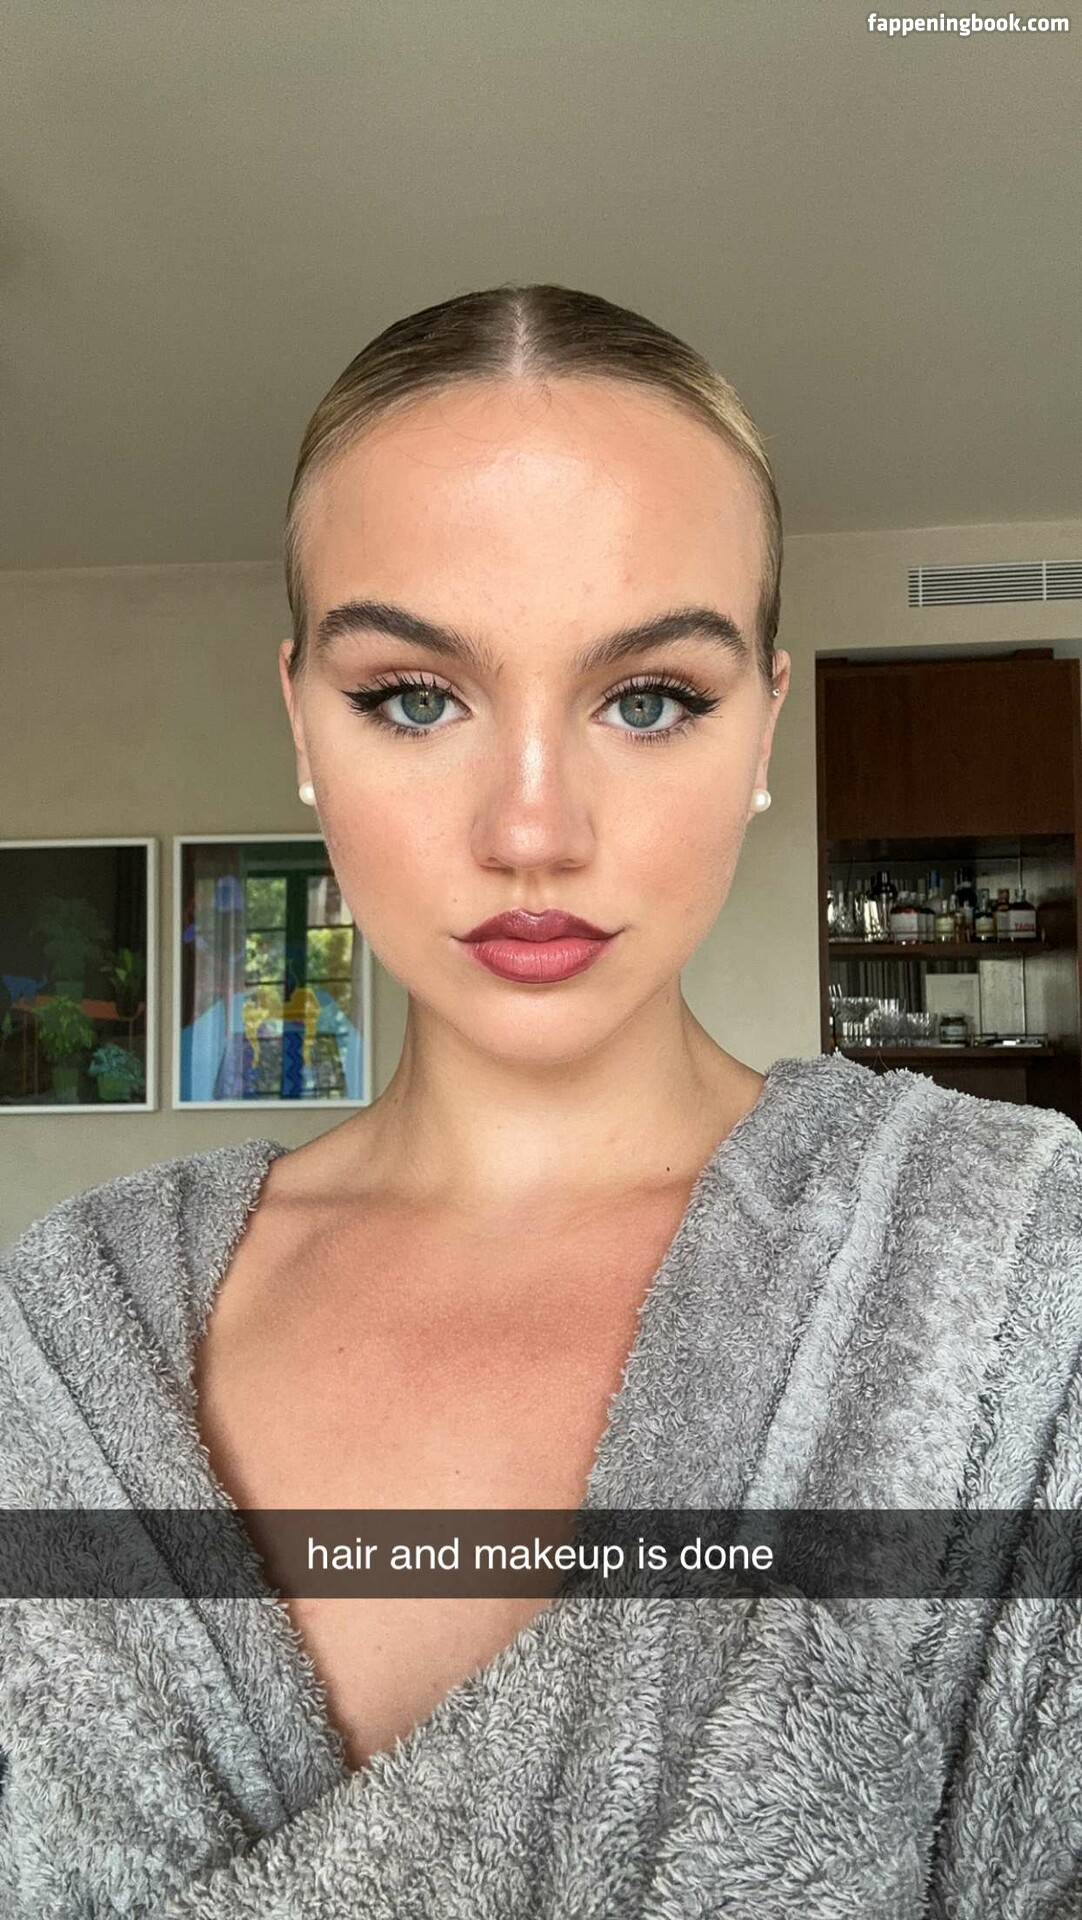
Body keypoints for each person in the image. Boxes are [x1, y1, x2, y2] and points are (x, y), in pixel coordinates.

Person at [2, 283, 1081, 1920]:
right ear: (301, 720)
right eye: (413, 696)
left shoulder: (1019, 1273)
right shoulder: (61, 1336)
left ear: (764, 722)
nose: (531, 831)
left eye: (647, 698)